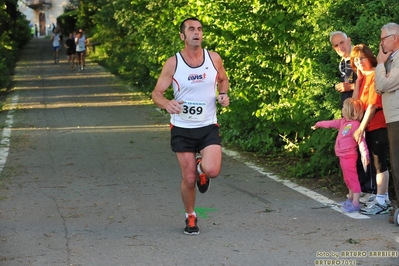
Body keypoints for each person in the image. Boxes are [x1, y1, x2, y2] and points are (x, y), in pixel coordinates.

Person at [151, 17, 230, 235]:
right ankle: (191, 216)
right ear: (182, 36)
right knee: (188, 179)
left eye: (200, 29)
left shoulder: (213, 58)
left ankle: (200, 167)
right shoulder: (173, 63)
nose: (197, 33)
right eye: (191, 29)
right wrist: (167, 103)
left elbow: (223, 80)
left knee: (212, 170)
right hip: (182, 128)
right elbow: (156, 93)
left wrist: (223, 95)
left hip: (207, 126)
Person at [330, 31, 374, 200]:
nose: (340, 47)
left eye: (342, 42)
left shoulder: (357, 57)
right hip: (349, 116)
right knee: (352, 153)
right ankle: (358, 190)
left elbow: (367, 77)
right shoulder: (343, 63)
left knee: (365, 148)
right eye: (336, 45)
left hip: (361, 112)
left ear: (349, 40)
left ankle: (370, 191)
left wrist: (349, 87)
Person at [349, 44, 392, 215]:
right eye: (356, 59)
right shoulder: (363, 77)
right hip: (368, 125)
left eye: (362, 58)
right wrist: (358, 82)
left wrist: (360, 128)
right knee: (375, 163)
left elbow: (373, 105)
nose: (359, 62)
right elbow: (354, 104)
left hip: (378, 123)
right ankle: (383, 197)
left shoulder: (375, 74)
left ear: (369, 57)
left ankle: (382, 201)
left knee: (379, 162)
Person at [312, 98, 369, 212]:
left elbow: (361, 141)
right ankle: (351, 198)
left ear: (350, 111)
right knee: (347, 178)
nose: (341, 109)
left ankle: (356, 203)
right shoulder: (342, 122)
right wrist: (318, 124)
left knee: (352, 179)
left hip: (349, 156)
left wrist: (365, 154)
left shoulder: (356, 125)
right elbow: (330, 123)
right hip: (342, 156)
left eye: (344, 107)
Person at [374, 22, 399, 222]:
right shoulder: (391, 59)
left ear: (395, 37)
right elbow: (378, 87)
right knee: (396, 163)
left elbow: (383, 83)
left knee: (398, 164)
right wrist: (383, 68)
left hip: (398, 117)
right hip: (393, 117)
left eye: (383, 38)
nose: (381, 42)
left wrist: (380, 64)